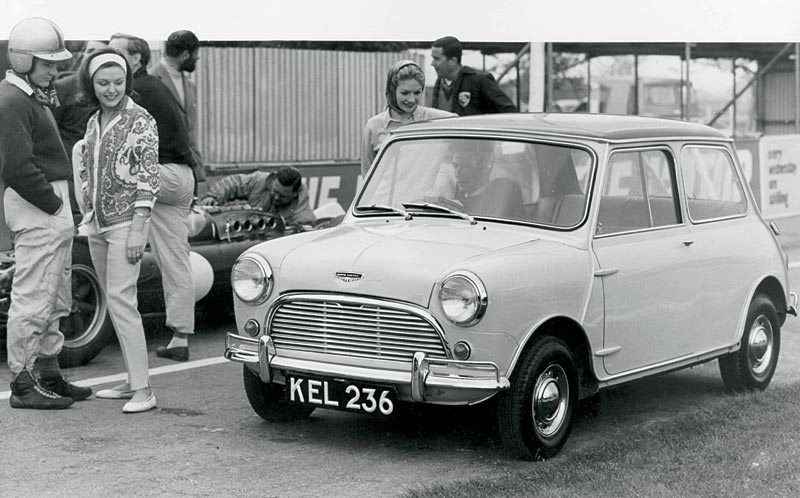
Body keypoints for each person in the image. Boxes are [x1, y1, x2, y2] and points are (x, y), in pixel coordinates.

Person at [0, 17, 92, 409]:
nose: (56, 70)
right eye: (47, 62)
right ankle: (22, 382)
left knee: (55, 295)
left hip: (46, 205)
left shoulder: (27, 96)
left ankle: (49, 373)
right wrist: (55, 206)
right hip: (39, 205)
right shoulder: (12, 100)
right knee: (34, 295)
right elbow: (17, 167)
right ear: (24, 61)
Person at [73, 49, 160, 412]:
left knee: (123, 301)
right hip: (97, 223)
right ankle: (130, 380)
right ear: (91, 84)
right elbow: (86, 168)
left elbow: (148, 177)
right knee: (116, 301)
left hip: (126, 223)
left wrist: (140, 227)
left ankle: (145, 391)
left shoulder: (141, 120)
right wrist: (86, 214)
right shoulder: (94, 121)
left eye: (118, 82)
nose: (111, 90)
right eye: (103, 83)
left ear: (128, 81)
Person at [108, 33, 196, 362]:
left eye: (115, 52)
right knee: (175, 259)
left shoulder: (133, 91)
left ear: (136, 60)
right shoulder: (156, 86)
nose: (107, 57)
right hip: (180, 176)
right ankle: (180, 337)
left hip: (159, 174)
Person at [361, 59, 454, 175]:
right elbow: (368, 175)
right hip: (384, 193)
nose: (411, 99)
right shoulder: (374, 126)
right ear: (392, 90)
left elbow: (465, 127)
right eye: (405, 93)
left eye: (417, 93)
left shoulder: (435, 118)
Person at [149, 30, 206, 196]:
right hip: (165, 173)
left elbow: (191, 133)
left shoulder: (189, 84)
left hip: (188, 170)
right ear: (185, 54)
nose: (198, 58)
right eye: (196, 54)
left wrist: (200, 174)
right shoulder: (152, 80)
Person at [430, 36, 517, 116]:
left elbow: (509, 111)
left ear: (453, 60)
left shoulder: (478, 80)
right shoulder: (439, 83)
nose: (432, 63)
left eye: (437, 59)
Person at [199, 166, 316, 226]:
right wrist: (213, 196)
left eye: (283, 196)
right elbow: (234, 183)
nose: (276, 198)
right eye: (274, 191)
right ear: (272, 180)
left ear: (295, 194)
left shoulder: (303, 217)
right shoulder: (260, 180)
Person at [450, 142, 524, 218]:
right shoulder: (455, 199)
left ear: (485, 168)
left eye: (466, 166)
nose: (457, 174)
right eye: (455, 166)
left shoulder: (499, 197)